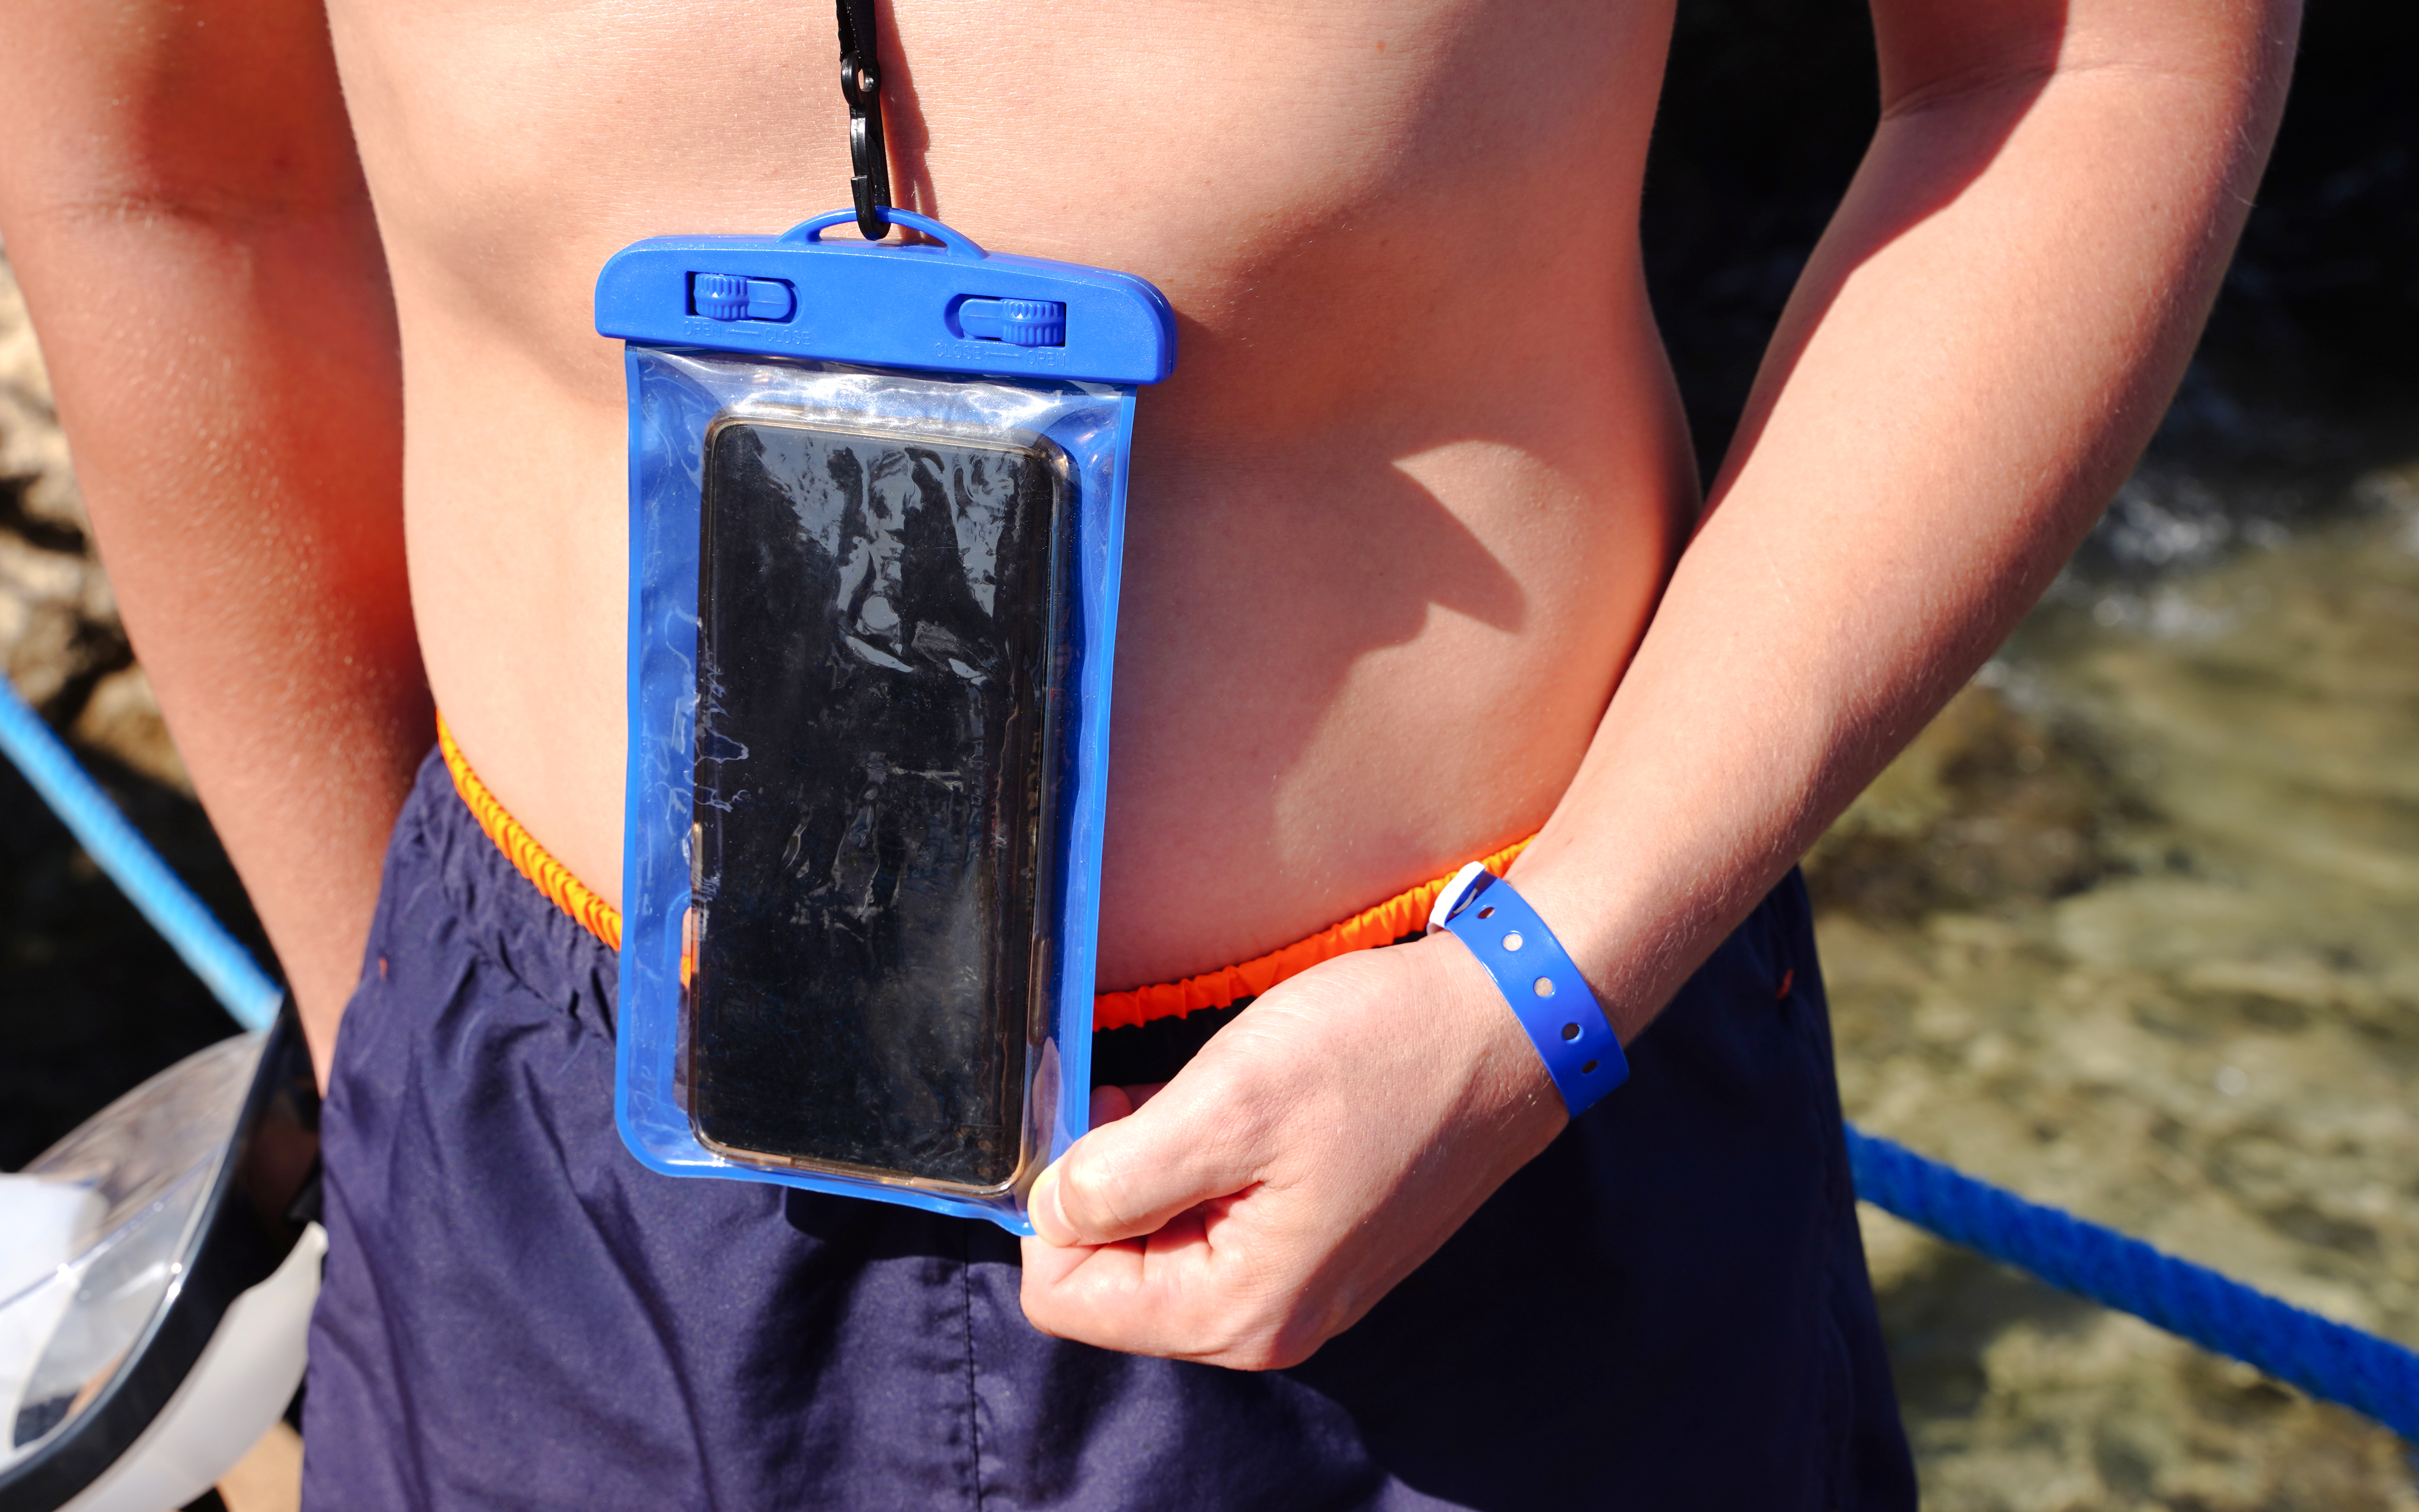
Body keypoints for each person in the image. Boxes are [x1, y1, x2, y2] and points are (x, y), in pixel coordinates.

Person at [0, 0, 2293, 1505]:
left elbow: (2080, 59)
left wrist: (1545, 994)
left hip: (1472, 1138)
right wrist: (391, 1024)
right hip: (550, 1166)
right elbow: (176, 174)